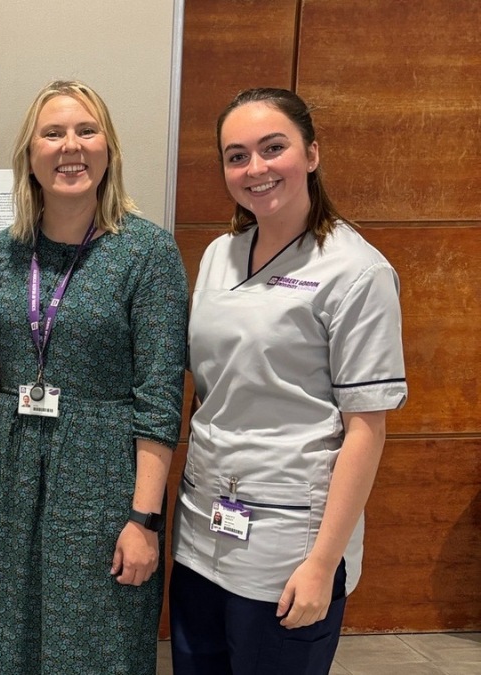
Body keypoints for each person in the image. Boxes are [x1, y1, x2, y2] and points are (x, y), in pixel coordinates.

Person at [169, 88, 407, 675]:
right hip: (202, 527)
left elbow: (366, 430)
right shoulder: (221, 255)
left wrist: (323, 563)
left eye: (273, 148)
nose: (256, 168)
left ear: (312, 154)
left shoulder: (356, 272)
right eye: (237, 155)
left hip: (288, 542)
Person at [0, 80, 188, 675]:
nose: (71, 146)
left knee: (98, 649)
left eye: (86, 130)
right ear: (30, 156)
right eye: (53, 133)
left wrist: (144, 520)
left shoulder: (147, 253)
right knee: (8, 643)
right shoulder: (1, 252)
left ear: (109, 150)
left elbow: (159, 396)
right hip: (11, 477)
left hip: (103, 481)